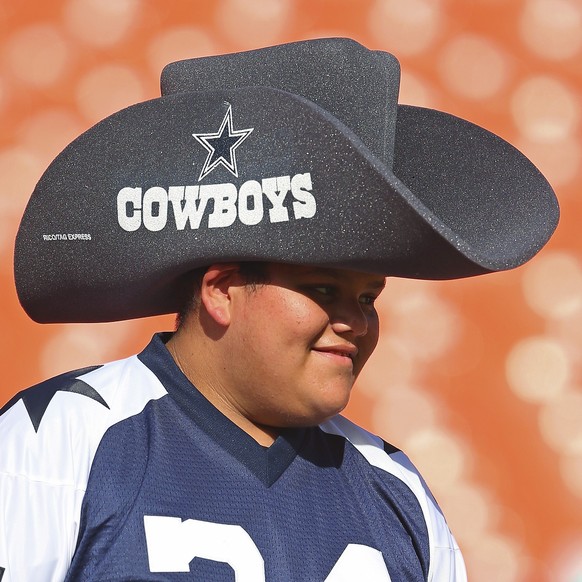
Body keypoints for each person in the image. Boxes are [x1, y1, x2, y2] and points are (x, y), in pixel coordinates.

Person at [0, 38, 558, 581]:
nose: (356, 323)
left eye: (368, 298)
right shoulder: (58, 442)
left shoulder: (396, 491)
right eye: (322, 291)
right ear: (221, 290)